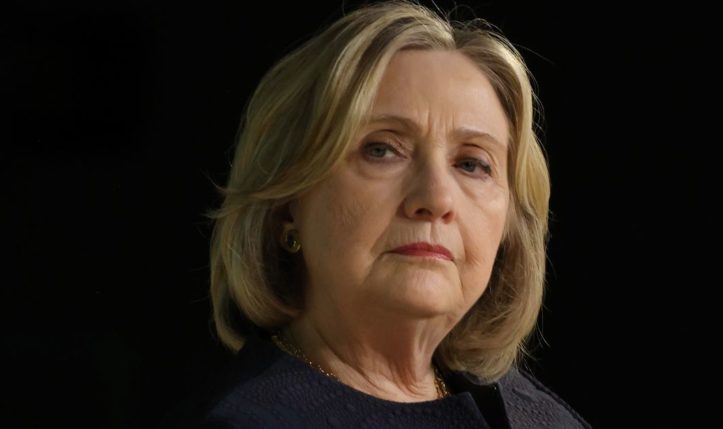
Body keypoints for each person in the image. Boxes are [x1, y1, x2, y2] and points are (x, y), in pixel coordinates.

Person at [168, 1, 590, 427]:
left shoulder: (540, 418)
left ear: (508, 227)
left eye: (471, 164)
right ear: (286, 206)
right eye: (382, 150)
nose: (436, 198)